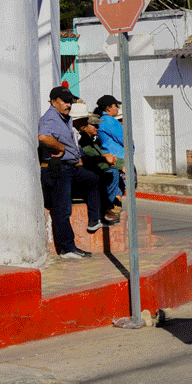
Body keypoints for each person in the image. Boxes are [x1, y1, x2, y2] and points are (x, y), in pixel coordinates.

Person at [38, 87, 113, 258]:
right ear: (53, 102)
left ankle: (94, 220)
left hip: (71, 168)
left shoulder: (65, 118)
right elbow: (43, 137)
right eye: (64, 101)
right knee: (62, 210)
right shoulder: (50, 118)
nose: (68, 104)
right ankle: (67, 248)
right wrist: (60, 147)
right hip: (58, 168)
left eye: (69, 101)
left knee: (94, 179)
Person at [74, 110, 123, 223]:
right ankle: (107, 209)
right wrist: (119, 165)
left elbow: (101, 157)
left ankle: (113, 206)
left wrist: (121, 164)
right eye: (94, 125)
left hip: (93, 170)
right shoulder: (84, 142)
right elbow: (97, 160)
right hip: (86, 174)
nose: (97, 128)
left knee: (120, 175)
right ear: (84, 127)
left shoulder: (92, 141)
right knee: (113, 173)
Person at [94, 94, 126, 215]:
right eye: (115, 106)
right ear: (108, 108)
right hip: (116, 158)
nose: (117, 108)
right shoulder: (109, 121)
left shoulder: (106, 120)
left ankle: (113, 206)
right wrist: (131, 144)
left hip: (114, 156)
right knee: (119, 184)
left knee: (120, 185)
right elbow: (123, 139)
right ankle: (112, 207)